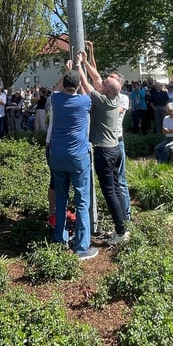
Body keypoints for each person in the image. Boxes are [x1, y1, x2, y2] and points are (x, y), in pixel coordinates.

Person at [78, 46, 130, 245]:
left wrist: (77, 66)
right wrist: (86, 60)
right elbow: (96, 77)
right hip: (114, 148)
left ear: (106, 90)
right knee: (116, 188)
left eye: (105, 83)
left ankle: (121, 231)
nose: (101, 82)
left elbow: (86, 82)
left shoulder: (102, 101)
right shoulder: (113, 96)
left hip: (105, 151)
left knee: (109, 191)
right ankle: (122, 223)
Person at [48, 59, 98, 260]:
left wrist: (67, 71)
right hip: (78, 157)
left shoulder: (57, 100)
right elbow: (90, 90)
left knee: (61, 199)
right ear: (77, 85)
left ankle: (60, 239)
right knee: (82, 200)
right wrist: (80, 67)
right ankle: (81, 247)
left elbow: (56, 89)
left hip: (57, 156)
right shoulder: (84, 101)